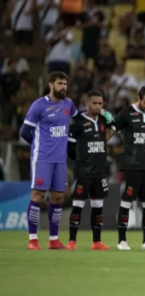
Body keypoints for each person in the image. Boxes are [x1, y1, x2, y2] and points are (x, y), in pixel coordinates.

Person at [20, 71, 78, 250]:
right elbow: (24, 132)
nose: (64, 87)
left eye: (65, 84)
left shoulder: (68, 104)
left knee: (58, 198)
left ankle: (53, 239)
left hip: (60, 160)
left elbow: (78, 118)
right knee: (38, 196)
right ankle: (33, 239)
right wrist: (38, 146)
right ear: (51, 85)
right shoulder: (38, 106)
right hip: (42, 158)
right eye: (60, 84)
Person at [112, 86, 145, 251]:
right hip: (131, 166)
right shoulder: (125, 114)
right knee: (126, 203)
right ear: (138, 98)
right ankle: (122, 241)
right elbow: (111, 131)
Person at [67, 90, 114, 250]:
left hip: (99, 172)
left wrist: (106, 113)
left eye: (100, 104)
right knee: (78, 205)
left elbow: (113, 126)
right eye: (94, 103)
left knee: (98, 206)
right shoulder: (77, 122)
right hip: (83, 172)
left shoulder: (102, 120)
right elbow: (69, 147)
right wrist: (81, 161)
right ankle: (72, 241)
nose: (97, 106)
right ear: (87, 103)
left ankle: (96, 242)